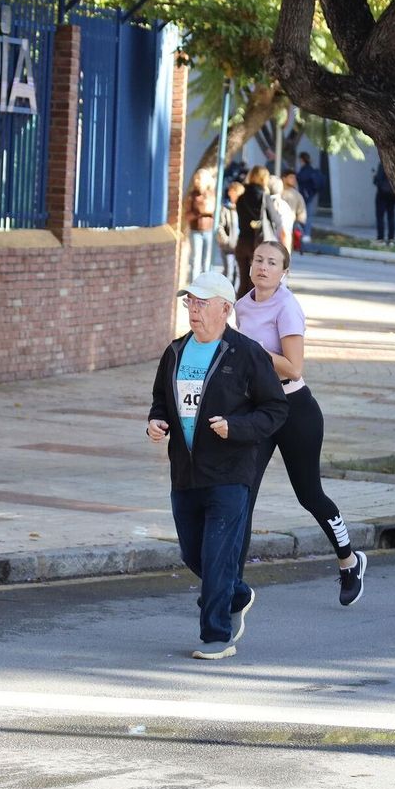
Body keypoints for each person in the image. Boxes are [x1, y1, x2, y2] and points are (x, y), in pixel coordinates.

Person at [148, 272, 289, 660]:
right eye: (190, 302)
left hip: (230, 473)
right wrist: (156, 421)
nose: (194, 310)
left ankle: (216, 636)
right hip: (185, 472)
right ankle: (237, 593)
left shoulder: (246, 353)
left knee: (215, 556)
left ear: (225, 309)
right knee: (193, 554)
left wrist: (237, 428)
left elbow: (276, 409)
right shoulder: (175, 351)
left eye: (202, 303)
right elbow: (162, 399)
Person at [235, 241, 367, 605]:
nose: (263, 266)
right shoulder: (242, 306)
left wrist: (254, 351)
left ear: (283, 272)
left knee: (309, 494)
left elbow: (293, 367)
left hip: (294, 406)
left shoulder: (287, 307)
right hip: (258, 409)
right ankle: (230, 585)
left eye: (272, 262)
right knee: (242, 495)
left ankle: (349, 561)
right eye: (258, 259)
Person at [235, 166, 275, 296]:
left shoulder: (241, 198)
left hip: (242, 242)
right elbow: (274, 219)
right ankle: (252, 312)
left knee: (243, 280)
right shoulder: (265, 197)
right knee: (255, 282)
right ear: (264, 179)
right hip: (259, 244)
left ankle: (240, 311)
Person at [185, 169, 217, 279]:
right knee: (196, 260)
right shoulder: (192, 195)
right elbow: (187, 215)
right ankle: (194, 290)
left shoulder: (211, 194)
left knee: (207, 261)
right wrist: (199, 211)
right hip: (196, 231)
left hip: (208, 230)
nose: (197, 181)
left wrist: (208, 209)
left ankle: (205, 288)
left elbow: (214, 210)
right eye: (196, 179)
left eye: (199, 179)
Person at [217, 180, 244, 279]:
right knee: (228, 271)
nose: (231, 194)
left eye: (234, 192)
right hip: (227, 247)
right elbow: (220, 226)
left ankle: (235, 293)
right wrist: (226, 240)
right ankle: (224, 292)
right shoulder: (225, 208)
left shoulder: (242, 209)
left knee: (238, 272)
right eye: (231, 192)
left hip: (239, 246)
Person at [267, 175, 296, 251]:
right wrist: (285, 255)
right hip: (275, 250)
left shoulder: (259, 203)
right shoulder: (282, 206)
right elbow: (284, 233)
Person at [295, 152, 324, 229]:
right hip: (311, 194)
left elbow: (301, 179)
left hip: (306, 195)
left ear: (301, 160)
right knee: (308, 215)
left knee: (305, 215)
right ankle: (305, 233)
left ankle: (305, 233)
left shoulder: (305, 170)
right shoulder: (310, 169)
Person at [279, 169, 308, 245]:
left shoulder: (297, 195)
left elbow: (301, 214)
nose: (294, 180)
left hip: (289, 228)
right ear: (284, 178)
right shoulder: (277, 192)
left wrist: (298, 226)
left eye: (295, 178)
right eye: (291, 177)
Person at [372, 162, 395, 244]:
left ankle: (380, 238)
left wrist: (374, 178)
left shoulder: (383, 164)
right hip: (392, 195)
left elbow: (378, 180)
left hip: (382, 195)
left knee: (380, 217)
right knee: (391, 217)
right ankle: (391, 238)